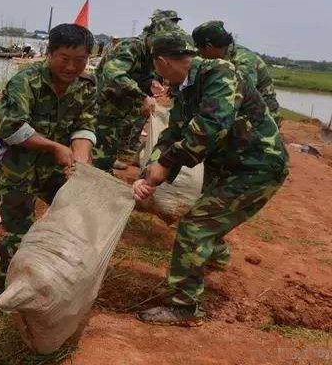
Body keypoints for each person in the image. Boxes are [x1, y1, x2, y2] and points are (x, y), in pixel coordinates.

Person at [133, 32, 287, 327]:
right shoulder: (185, 88)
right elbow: (173, 133)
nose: (158, 76)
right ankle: (214, 258)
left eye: (157, 68)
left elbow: (212, 125)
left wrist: (166, 165)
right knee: (207, 217)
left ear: (163, 62)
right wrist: (149, 174)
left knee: (195, 226)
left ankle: (185, 306)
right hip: (228, 165)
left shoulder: (219, 72)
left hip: (256, 168)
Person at [0, 23, 97, 298]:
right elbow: (12, 128)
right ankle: (5, 291)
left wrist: (81, 161)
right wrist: (55, 148)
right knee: (18, 233)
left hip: (53, 168)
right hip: (16, 167)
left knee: (77, 214)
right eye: (65, 59)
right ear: (49, 53)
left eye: (80, 60)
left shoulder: (85, 86)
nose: (72, 67)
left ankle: (56, 279)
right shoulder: (25, 82)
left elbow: (84, 127)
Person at [92, 19, 185, 171]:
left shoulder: (150, 52)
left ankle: (107, 162)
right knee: (105, 137)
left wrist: (151, 82)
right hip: (106, 101)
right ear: (151, 37)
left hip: (121, 103)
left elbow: (140, 75)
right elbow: (114, 73)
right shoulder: (131, 47)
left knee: (114, 137)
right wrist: (142, 96)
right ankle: (99, 170)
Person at [192, 20, 281, 124]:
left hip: (262, 115)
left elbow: (241, 94)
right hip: (242, 108)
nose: (200, 55)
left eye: (200, 50)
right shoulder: (221, 57)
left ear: (208, 47)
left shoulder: (243, 60)